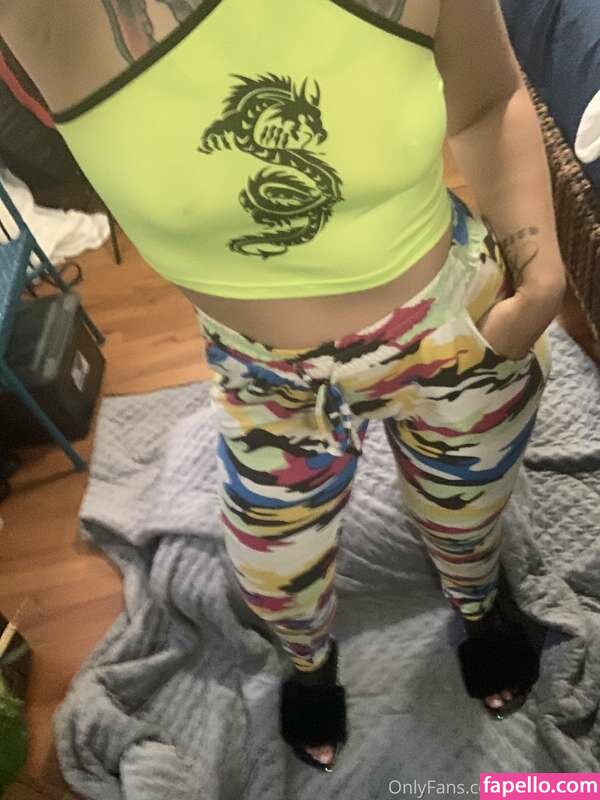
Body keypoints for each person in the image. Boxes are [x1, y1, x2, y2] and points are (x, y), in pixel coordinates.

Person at [0, 0, 567, 772]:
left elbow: (487, 98)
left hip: (455, 331)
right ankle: (309, 662)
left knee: (468, 521)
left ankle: (477, 606)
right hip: (269, 380)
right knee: (274, 571)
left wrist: (540, 273)